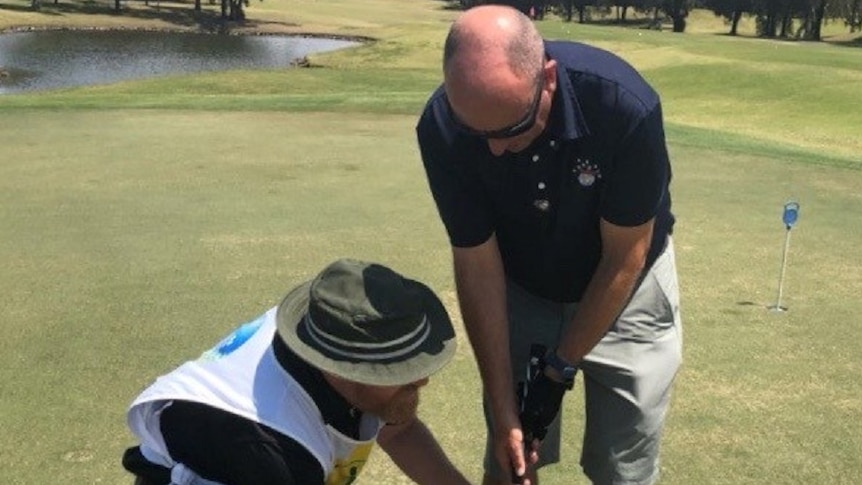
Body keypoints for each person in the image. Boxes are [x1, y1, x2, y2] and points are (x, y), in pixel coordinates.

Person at [416, 5, 682, 485]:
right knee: (510, 458)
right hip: (521, 287)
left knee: (624, 468)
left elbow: (626, 256)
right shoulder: (441, 128)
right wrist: (503, 410)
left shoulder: (623, 108)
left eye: (509, 130)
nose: (494, 150)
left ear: (549, 80)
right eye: (477, 134)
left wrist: (559, 369)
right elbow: (477, 265)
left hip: (628, 290)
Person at [122, 258, 472, 485]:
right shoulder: (275, 451)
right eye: (397, 372)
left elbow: (399, 430)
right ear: (342, 370)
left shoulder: (322, 329)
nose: (422, 380)